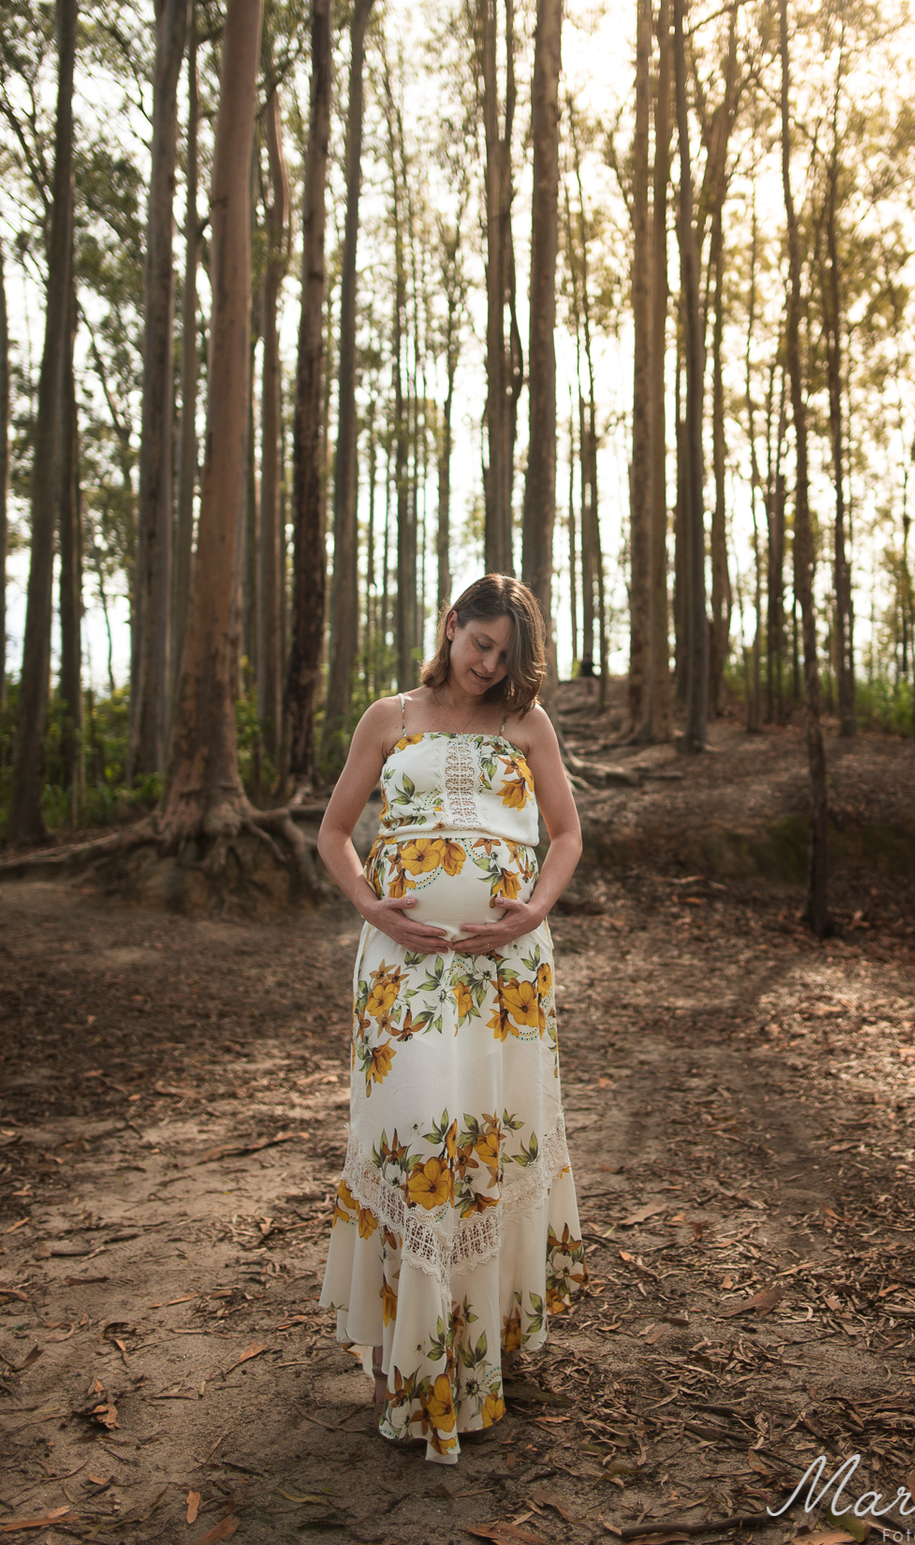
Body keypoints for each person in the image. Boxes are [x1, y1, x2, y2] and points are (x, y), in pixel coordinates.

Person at [316, 574, 587, 1461]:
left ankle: (483, 1350)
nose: (489, 665)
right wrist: (375, 907)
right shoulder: (388, 717)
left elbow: (565, 832)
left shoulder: (526, 724)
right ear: (450, 626)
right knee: (423, 1141)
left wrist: (537, 907)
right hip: (404, 973)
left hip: (505, 978)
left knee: (484, 1144)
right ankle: (417, 1362)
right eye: (480, 644)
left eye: (506, 655)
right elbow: (334, 833)